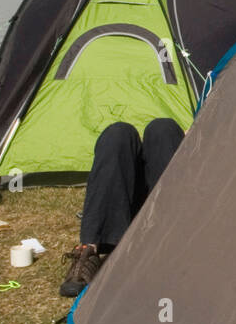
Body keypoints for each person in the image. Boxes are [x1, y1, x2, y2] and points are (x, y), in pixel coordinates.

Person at [60, 118, 184, 297]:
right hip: (121, 207)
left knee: (164, 128)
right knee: (117, 133)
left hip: (160, 202)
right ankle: (89, 251)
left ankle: (174, 244)